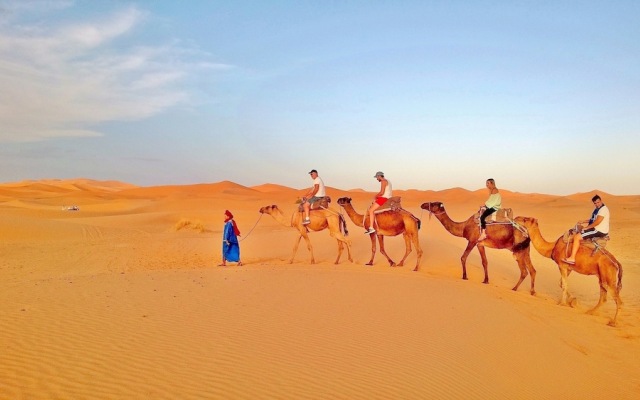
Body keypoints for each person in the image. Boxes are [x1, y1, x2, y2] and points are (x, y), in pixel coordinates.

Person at [563, 194, 610, 265]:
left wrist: (587, 228)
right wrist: (584, 221)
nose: (597, 204)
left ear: (601, 201)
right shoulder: (598, 209)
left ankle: (572, 258)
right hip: (596, 228)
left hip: (598, 230)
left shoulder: (603, 210)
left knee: (576, 237)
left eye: (598, 202)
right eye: (595, 203)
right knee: (579, 228)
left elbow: (597, 222)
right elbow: (593, 219)